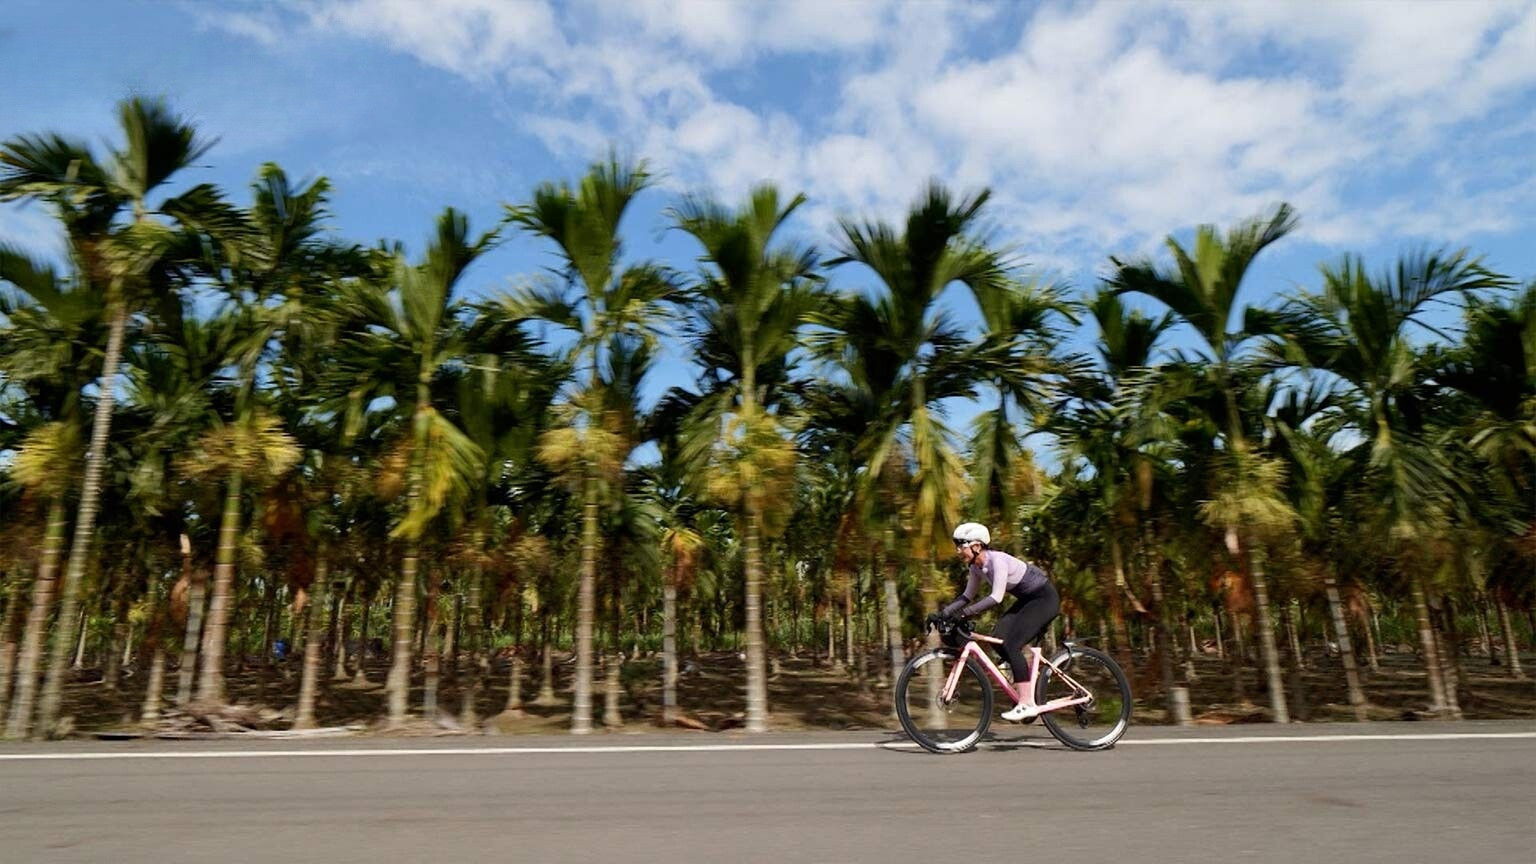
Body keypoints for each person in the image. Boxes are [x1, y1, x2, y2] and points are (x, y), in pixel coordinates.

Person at [934, 521, 1060, 721]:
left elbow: (996, 597)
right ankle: (1024, 682)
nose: (958, 551)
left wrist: (964, 614)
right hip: (1028, 600)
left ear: (976, 546)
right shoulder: (976, 568)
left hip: (1044, 599)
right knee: (999, 638)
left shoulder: (997, 561)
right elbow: (967, 596)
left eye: (961, 545)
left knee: (1011, 645)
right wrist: (944, 613)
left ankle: (1027, 703)